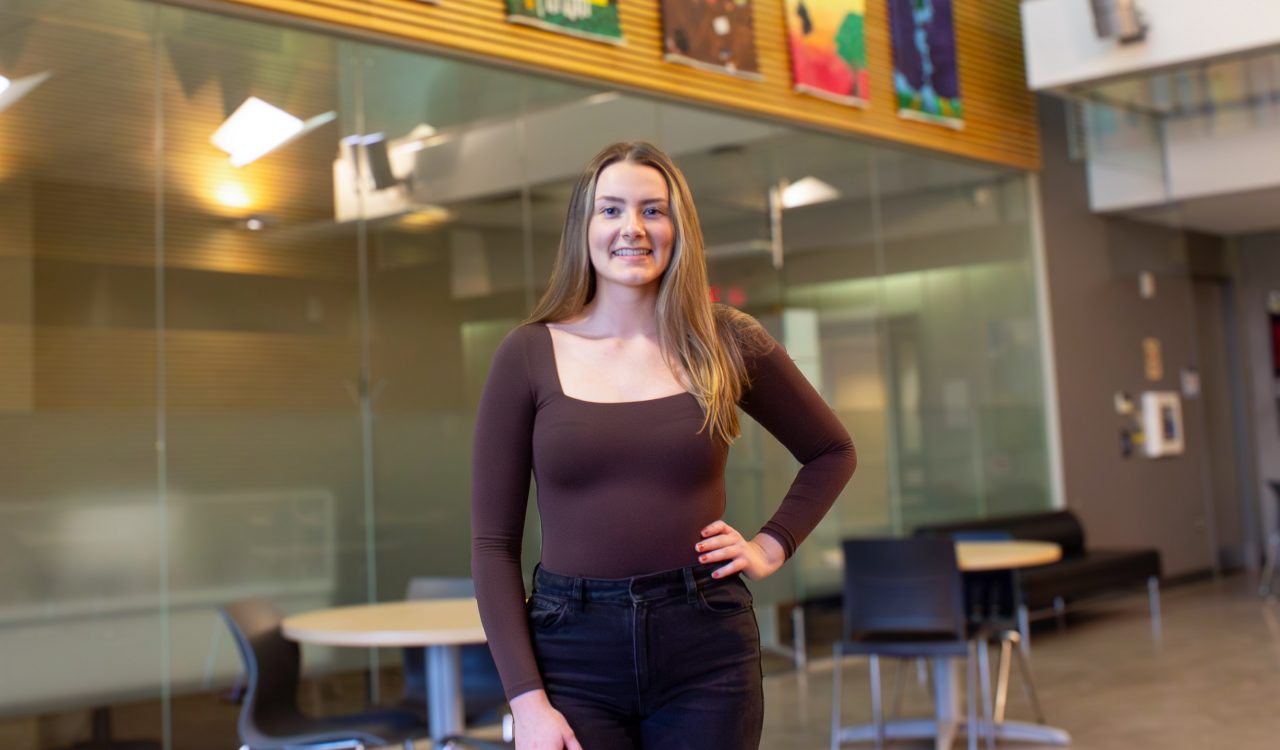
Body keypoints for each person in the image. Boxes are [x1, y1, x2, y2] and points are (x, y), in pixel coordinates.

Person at [471, 141, 856, 750]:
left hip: (706, 643)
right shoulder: (527, 354)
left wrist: (770, 546)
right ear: (585, 226)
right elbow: (494, 548)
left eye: (654, 210)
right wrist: (526, 700)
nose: (633, 228)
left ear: (679, 227)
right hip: (571, 653)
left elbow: (832, 451)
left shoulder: (724, 339)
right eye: (612, 210)